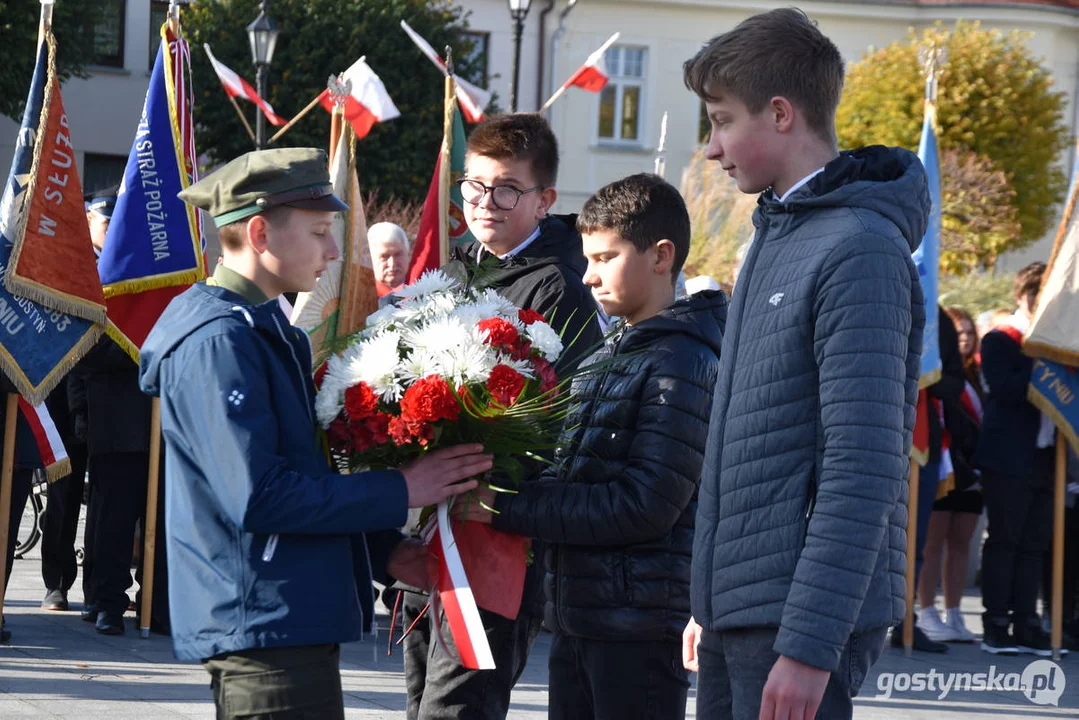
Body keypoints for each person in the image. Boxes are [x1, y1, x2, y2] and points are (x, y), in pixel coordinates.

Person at [137, 147, 493, 719]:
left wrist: (383, 552)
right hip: (260, 618)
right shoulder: (219, 342)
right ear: (259, 232)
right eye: (321, 231)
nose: (334, 249)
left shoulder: (264, 328)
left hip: (286, 611)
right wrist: (403, 489)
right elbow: (258, 494)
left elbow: (305, 470)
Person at [681, 9, 928, 719]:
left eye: (722, 120)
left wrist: (811, 644)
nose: (711, 148)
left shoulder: (858, 249)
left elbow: (864, 462)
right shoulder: (777, 234)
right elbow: (746, 444)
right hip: (747, 612)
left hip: (795, 623)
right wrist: (714, 599)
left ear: (780, 114)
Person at [462, 173, 726, 719]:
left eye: (605, 258)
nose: (588, 276)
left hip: (637, 626)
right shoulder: (614, 351)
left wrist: (501, 507)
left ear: (661, 256)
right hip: (583, 614)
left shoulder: (681, 362)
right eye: (587, 259)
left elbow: (642, 506)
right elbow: (572, 475)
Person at [404, 113, 603, 720]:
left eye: (507, 189)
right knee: (420, 700)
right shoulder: (454, 266)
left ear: (544, 201)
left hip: (497, 539)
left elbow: (561, 419)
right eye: (474, 185)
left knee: (459, 706)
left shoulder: (558, 289)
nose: (485, 202)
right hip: (432, 526)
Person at [974, 262, 1062, 657]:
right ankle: (996, 625)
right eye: (1036, 295)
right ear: (1021, 296)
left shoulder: (1058, 345)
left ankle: (1027, 623)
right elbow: (1005, 390)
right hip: (1008, 456)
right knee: (1005, 541)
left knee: (1033, 545)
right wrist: (1041, 359)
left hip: (1045, 456)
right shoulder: (1001, 339)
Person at [915, 306, 984, 643]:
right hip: (936, 451)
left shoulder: (974, 374)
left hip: (965, 462)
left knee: (960, 540)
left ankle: (954, 613)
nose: (965, 339)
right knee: (931, 541)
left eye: (970, 333)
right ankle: (924, 611)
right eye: (960, 333)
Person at [369, 221, 410, 296]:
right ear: (370, 259)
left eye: (398, 254)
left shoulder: (425, 291)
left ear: (408, 254)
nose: (392, 263)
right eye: (384, 256)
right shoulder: (361, 295)